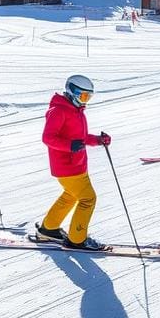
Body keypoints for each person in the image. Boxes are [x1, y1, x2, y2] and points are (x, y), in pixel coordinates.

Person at [36, 74, 111, 251]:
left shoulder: (76, 111)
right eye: (83, 96)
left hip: (77, 164)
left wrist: (98, 140)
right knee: (88, 198)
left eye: (88, 97)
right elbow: (48, 138)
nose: (85, 101)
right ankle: (77, 239)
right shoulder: (59, 110)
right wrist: (70, 146)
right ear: (72, 92)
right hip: (67, 166)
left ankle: (49, 229)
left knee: (70, 196)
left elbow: (81, 138)